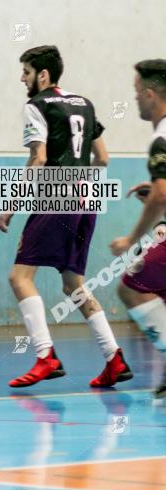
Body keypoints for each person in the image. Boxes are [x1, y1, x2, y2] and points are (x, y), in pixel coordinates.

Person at [0, 45, 131, 388]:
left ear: (43, 75)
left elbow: (39, 158)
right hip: (87, 200)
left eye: (26, 72)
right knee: (73, 284)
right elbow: (103, 158)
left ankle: (46, 357)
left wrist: (10, 205)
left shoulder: (37, 105)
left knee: (20, 278)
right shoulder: (84, 104)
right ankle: (114, 358)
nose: (22, 78)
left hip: (56, 197)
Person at [110, 59, 166, 399]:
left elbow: (161, 196)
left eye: (136, 95)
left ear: (150, 94)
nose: (135, 102)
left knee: (131, 287)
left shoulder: (161, 139)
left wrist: (132, 238)